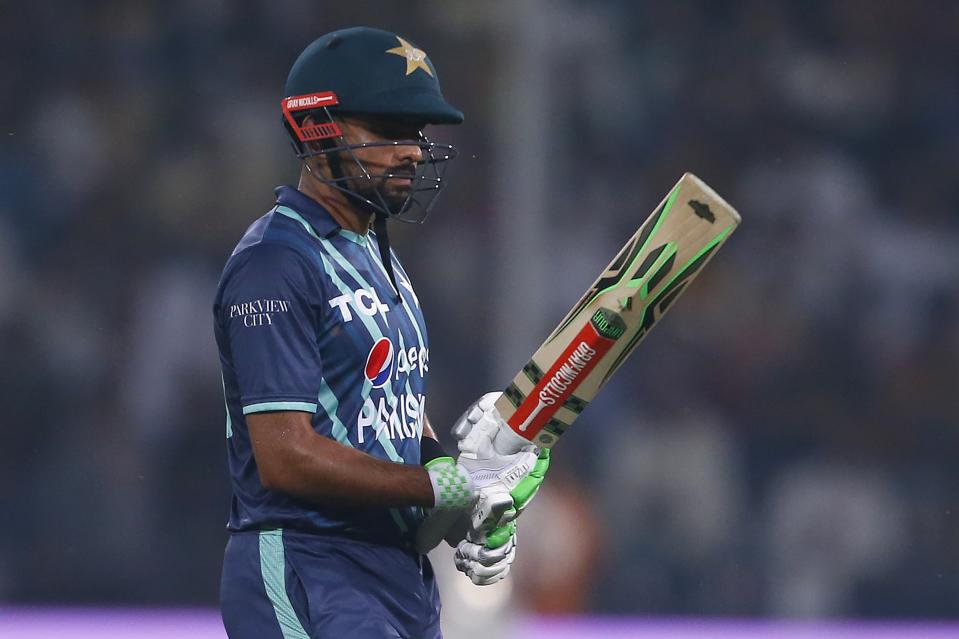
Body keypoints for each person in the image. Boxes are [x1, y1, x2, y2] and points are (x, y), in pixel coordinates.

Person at [214, 27, 549, 639]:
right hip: (307, 564)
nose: (413, 151)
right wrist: (442, 484)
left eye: (417, 134)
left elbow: (394, 426)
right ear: (320, 131)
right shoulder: (275, 263)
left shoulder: (379, 257)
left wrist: (468, 510)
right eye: (388, 130)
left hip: (398, 579)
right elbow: (285, 456)